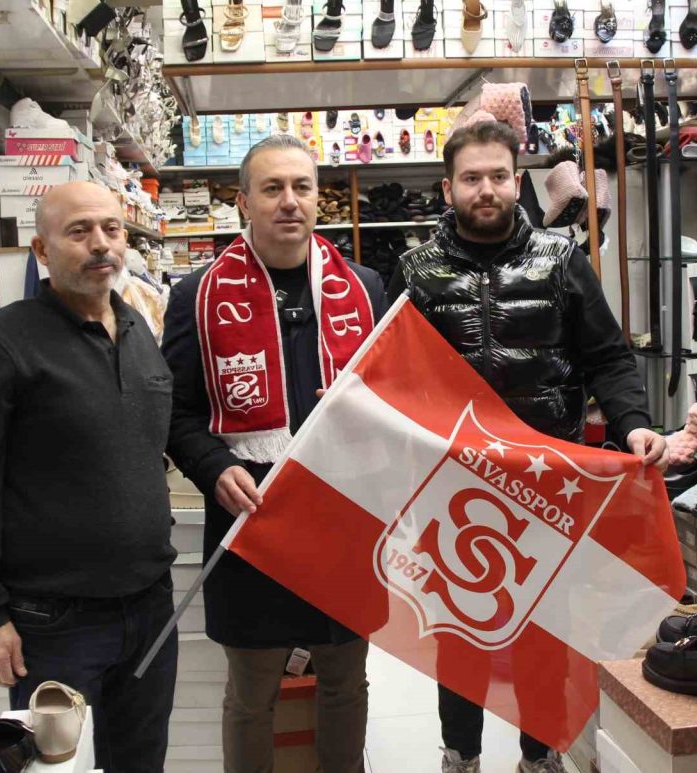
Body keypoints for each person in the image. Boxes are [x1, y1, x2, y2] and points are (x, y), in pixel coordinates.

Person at [388, 119, 668, 773]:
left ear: (518, 181)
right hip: (453, 487)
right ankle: (461, 754)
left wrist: (633, 423)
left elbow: (609, 358)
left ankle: (539, 755)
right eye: (471, 178)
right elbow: (390, 375)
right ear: (448, 188)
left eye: (497, 175)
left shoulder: (563, 261)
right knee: (461, 632)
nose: (485, 189)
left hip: (547, 484)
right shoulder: (414, 273)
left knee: (546, 629)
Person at [161, 134, 386, 773]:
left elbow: (394, 397)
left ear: (318, 198)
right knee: (251, 692)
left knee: (346, 680)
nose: (290, 201)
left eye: (302, 187)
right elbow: (173, 412)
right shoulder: (197, 296)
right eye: (272, 188)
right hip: (250, 522)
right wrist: (214, 466)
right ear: (244, 202)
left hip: (344, 520)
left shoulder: (365, 288)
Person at [0, 181, 178, 773]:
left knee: (142, 761)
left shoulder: (137, 329)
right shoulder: (0, 346)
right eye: (79, 231)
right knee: (59, 767)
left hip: (149, 606)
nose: (100, 244)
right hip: (55, 623)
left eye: (111, 229)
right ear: (42, 250)